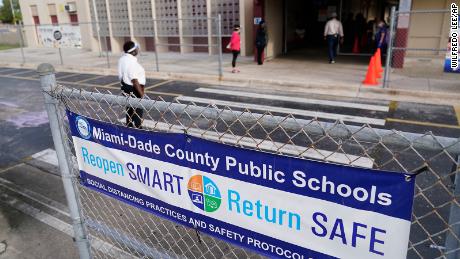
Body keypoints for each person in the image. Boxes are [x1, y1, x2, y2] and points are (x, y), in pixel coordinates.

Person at [118, 41, 145, 129]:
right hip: (134, 89)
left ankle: (129, 130)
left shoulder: (122, 59)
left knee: (129, 111)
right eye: (136, 48)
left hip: (124, 87)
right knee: (137, 112)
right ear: (133, 51)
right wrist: (141, 95)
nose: (138, 49)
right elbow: (134, 79)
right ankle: (138, 133)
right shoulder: (131, 61)